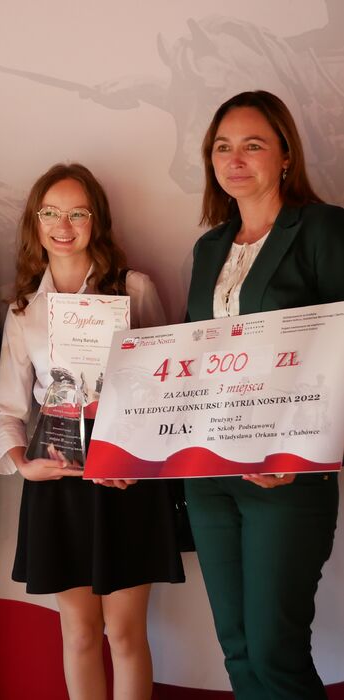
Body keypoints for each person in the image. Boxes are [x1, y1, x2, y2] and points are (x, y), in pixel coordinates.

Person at [0, 163, 184, 700]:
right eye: (50, 213)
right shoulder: (24, 310)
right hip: (59, 474)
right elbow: (6, 407)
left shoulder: (134, 289)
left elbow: (166, 388)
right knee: (77, 634)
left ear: (97, 220)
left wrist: (135, 461)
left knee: (124, 633)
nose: (63, 226)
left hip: (126, 475)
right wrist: (22, 464)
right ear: (34, 222)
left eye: (78, 213)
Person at [185, 90, 343, 698]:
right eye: (222, 147)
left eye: (253, 145)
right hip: (210, 473)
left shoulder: (324, 229)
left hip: (287, 473)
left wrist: (304, 453)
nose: (235, 159)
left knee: (276, 653)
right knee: (239, 650)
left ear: (285, 156)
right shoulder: (209, 248)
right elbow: (194, 359)